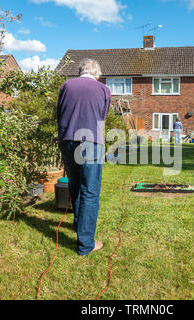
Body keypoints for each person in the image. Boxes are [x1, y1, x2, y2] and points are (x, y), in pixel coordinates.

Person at [57, 59, 111, 256]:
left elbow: (59, 113)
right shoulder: (103, 89)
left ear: (80, 72)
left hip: (67, 139)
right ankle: (86, 244)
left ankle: (79, 227)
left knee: (75, 185)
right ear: (97, 75)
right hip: (91, 141)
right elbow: (102, 116)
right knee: (90, 191)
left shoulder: (66, 85)